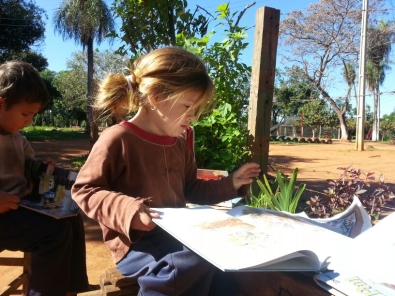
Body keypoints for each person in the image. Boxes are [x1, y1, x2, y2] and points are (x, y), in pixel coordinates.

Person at [71, 46, 261, 296]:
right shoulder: (118, 139)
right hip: (137, 243)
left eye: (196, 108)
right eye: (187, 106)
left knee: (224, 269)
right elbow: (85, 190)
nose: (193, 116)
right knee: (182, 266)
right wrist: (129, 211)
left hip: (180, 235)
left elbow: (191, 189)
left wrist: (232, 182)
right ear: (157, 97)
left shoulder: (179, 144)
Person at [0, 60, 92, 296]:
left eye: (33, 115)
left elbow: (27, 167)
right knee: (53, 233)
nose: (29, 120)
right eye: (25, 113)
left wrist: (42, 169)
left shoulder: (17, 139)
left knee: (71, 216)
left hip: (17, 211)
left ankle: (69, 289)